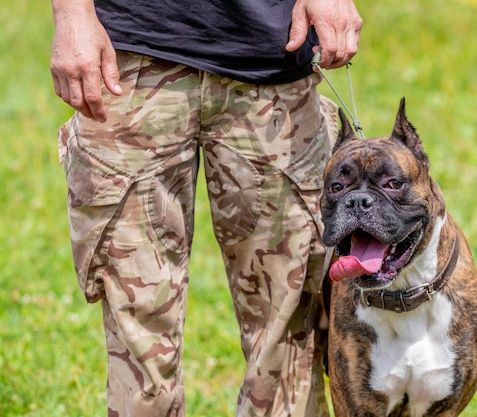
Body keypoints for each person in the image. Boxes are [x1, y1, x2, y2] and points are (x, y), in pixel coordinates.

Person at [49, 0, 362, 416]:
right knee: (139, 344)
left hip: (274, 57)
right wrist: (71, 14)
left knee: (289, 340)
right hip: (129, 60)